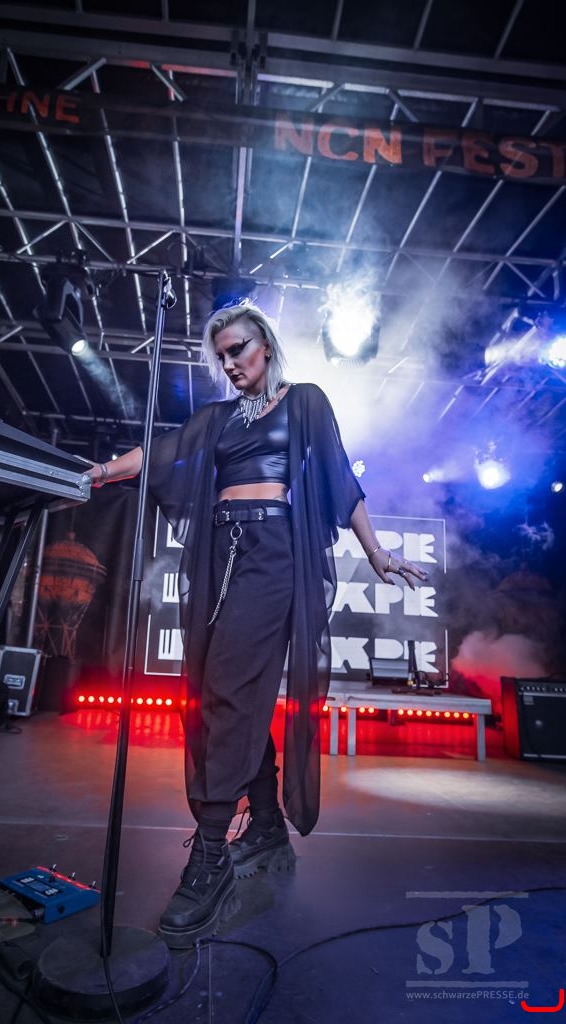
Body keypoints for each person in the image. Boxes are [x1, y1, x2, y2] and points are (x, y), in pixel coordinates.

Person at [87, 301, 427, 948]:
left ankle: (211, 849)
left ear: (265, 344)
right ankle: (266, 824)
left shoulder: (304, 402)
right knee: (222, 694)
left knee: (227, 692)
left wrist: (377, 552)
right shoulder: (217, 418)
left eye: (238, 349)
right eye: (221, 356)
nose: (230, 364)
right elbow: (159, 453)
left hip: (272, 555)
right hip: (220, 553)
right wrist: (99, 473)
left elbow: (340, 479)